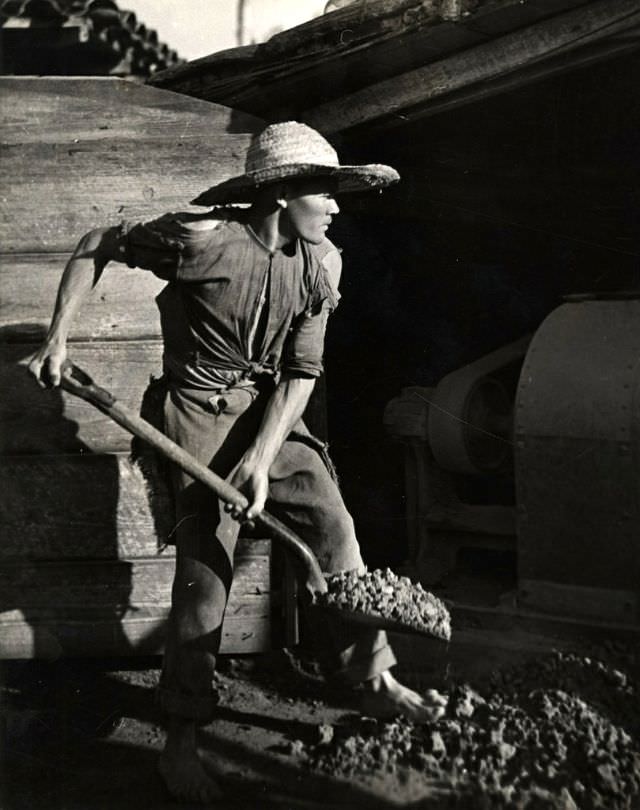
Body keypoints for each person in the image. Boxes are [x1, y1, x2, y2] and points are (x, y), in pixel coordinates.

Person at [29, 121, 447, 803]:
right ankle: (183, 742)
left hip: (269, 412)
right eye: (324, 190)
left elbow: (302, 373)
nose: (337, 205)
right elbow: (95, 242)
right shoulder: (202, 240)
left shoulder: (324, 263)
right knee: (208, 567)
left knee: (334, 527)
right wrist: (57, 338)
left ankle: (371, 678)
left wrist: (260, 459)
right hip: (193, 409)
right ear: (281, 194)